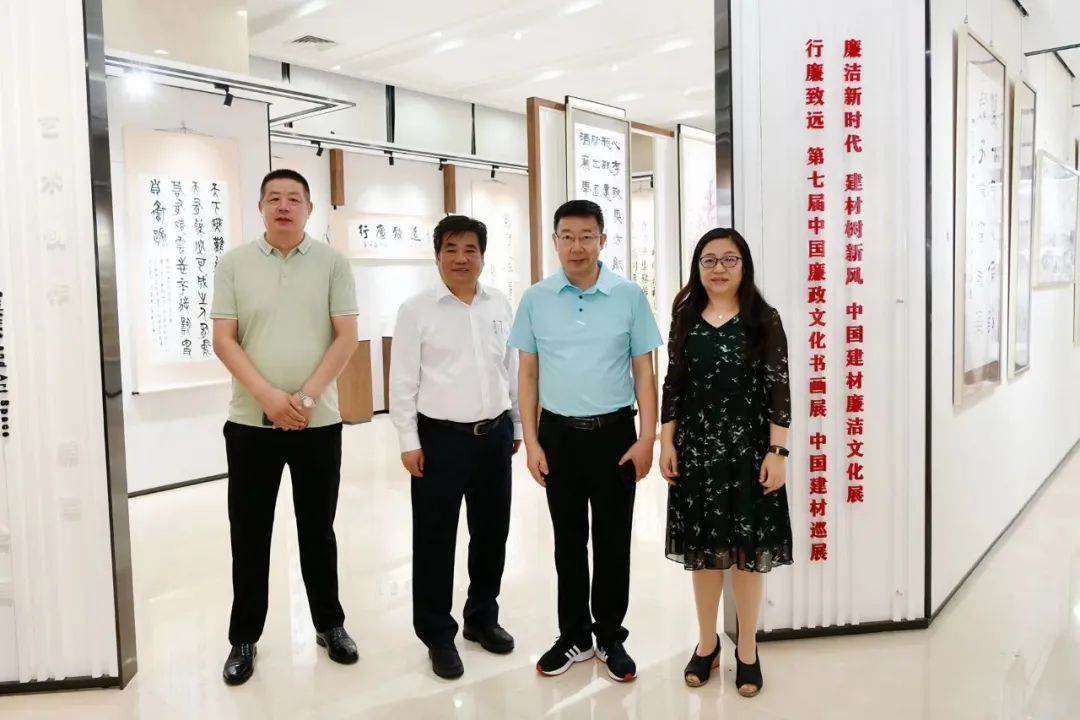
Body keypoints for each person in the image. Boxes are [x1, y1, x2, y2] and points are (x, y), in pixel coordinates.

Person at [210, 169, 360, 686]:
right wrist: (270, 398)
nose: (283, 206)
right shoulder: (233, 263)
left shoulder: (333, 263)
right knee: (249, 533)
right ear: (260, 207)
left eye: (294, 198)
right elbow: (224, 339)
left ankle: (329, 624)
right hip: (251, 423)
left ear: (309, 208)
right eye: (273, 197)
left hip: (318, 424)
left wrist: (306, 398)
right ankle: (244, 637)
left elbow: (346, 337)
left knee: (318, 530)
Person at [509, 199, 662, 683]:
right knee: (568, 541)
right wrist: (532, 442)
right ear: (555, 241)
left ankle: (611, 635)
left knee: (614, 540)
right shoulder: (535, 299)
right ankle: (573, 634)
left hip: (615, 434)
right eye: (568, 236)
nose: (577, 246)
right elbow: (527, 374)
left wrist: (647, 438)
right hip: (558, 436)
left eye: (587, 236)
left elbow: (645, 372)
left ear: (603, 240)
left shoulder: (628, 296)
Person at [659, 228, 793, 696]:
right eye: (709, 260)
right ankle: (707, 644)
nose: (719, 268)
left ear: (744, 266)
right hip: (696, 452)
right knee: (704, 556)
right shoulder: (685, 317)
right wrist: (666, 442)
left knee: (747, 558)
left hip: (750, 454)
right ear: (697, 267)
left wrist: (778, 452)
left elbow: (779, 390)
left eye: (729, 259)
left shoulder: (764, 319)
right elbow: (673, 385)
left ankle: (748, 650)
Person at [390, 215, 522, 680]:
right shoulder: (416, 310)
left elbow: (510, 368)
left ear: (483, 256)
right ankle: (437, 634)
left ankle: (482, 618)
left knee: (492, 534)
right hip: (439, 440)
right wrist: (408, 440)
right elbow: (402, 382)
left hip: (494, 437)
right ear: (437, 256)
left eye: (471, 249)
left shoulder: (499, 303)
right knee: (434, 540)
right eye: (451, 249)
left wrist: (517, 424)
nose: (461, 258)